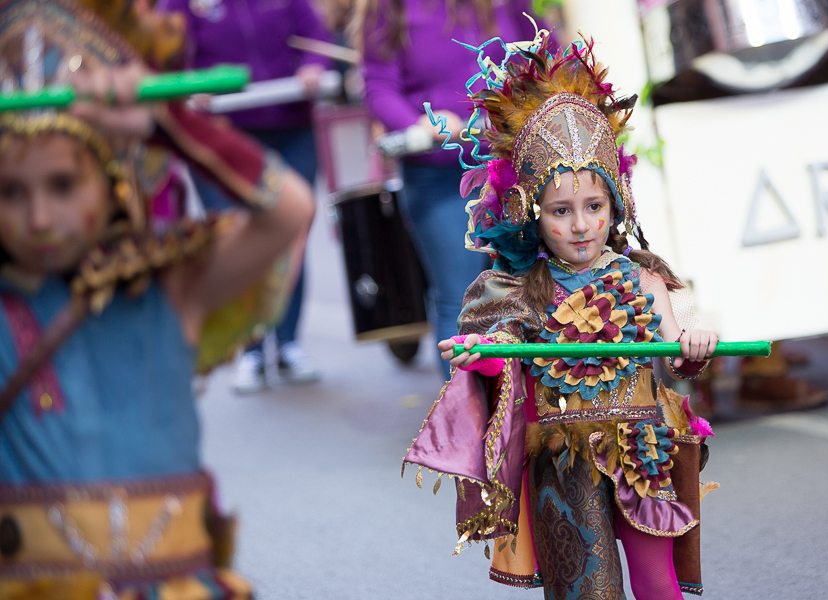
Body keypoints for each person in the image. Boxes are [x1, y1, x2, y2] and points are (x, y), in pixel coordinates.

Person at [0, 0, 314, 597]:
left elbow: (289, 210)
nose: (38, 216)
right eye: (10, 192)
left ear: (113, 180)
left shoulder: (174, 285)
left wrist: (166, 122)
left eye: (63, 185)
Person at [402, 34, 719, 599]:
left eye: (594, 207)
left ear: (617, 200)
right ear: (529, 212)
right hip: (561, 467)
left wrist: (693, 344)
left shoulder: (642, 277)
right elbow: (499, 357)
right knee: (585, 592)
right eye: (561, 211)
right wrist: (483, 358)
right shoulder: (517, 287)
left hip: (642, 453)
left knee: (658, 586)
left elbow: (673, 350)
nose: (580, 225)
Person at [356, 0, 543, 378]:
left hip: (514, 167)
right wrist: (419, 124)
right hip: (438, 176)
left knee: (533, 291)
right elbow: (378, 86)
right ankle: (466, 422)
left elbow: (544, 55)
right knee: (461, 300)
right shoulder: (387, 9)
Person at [159, 0, 333, 393]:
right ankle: (249, 351)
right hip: (226, 135)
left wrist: (313, 66)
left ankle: (289, 343)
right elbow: (164, 55)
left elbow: (316, 39)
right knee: (236, 240)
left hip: (290, 127)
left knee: (292, 237)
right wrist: (190, 84)